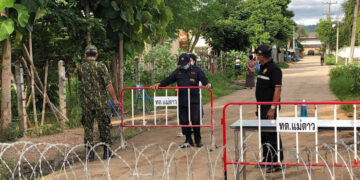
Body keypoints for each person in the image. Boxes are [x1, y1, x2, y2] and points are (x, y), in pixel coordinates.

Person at [151, 53, 211, 148]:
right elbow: (169, 79)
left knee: (196, 121)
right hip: (183, 100)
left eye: (184, 63)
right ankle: (188, 140)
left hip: (194, 100)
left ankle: (198, 140)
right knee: (184, 121)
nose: (183, 66)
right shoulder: (178, 71)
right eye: (181, 64)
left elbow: (204, 79)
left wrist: (207, 84)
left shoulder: (197, 71)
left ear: (189, 62)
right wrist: (159, 84)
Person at [78, 44, 119, 161]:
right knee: (104, 126)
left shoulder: (81, 68)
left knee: (88, 127)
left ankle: (90, 154)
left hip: (87, 102)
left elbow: (82, 80)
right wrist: (114, 99)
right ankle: (106, 152)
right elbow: (108, 84)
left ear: (85, 55)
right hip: (101, 102)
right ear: (96, 55)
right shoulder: (101, 66)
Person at [254, 45, 283, 173]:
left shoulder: (274, 69)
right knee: (263, 134)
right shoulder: (263, 68)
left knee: (272, 134)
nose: (257, 57)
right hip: (261, 107)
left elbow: (277, 89)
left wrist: (272, 108)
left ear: (263, 56)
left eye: (258, 55)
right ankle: (266, 158)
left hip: (270, 108)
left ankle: (276, 162)